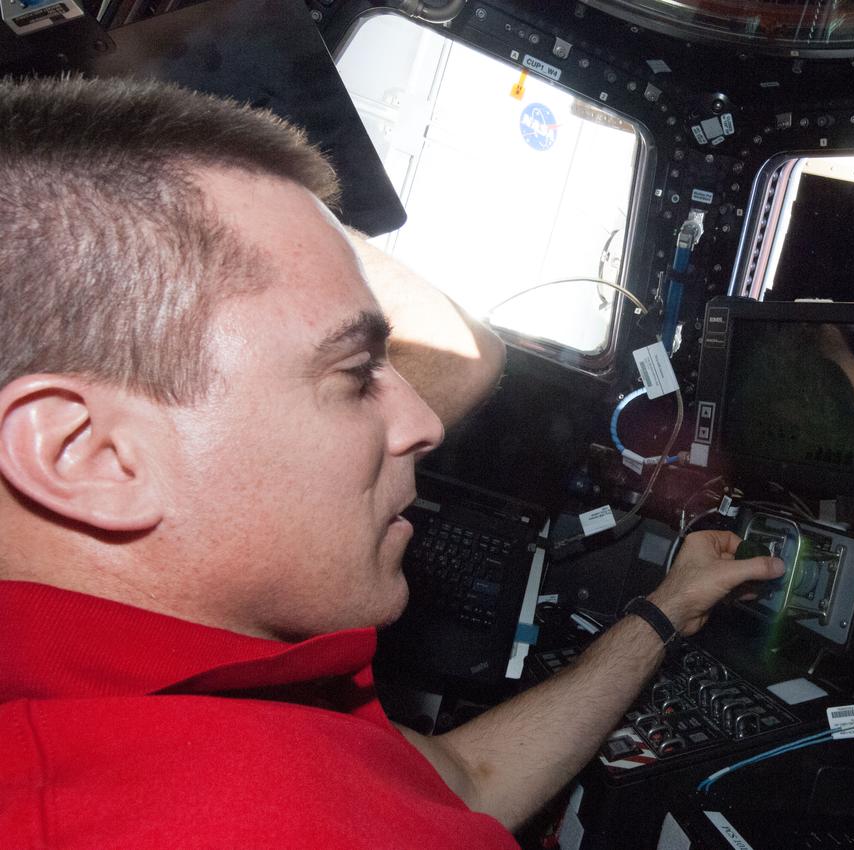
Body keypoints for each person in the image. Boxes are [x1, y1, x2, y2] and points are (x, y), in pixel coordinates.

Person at [0, 76, 783, 848]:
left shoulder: (170, 684)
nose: (421, 422)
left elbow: (462, 779)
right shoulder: (245, 819)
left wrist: (665, 611)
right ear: (89, 454)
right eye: (353, 374)